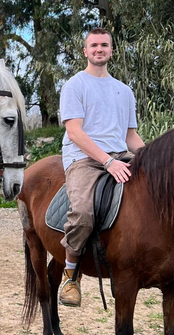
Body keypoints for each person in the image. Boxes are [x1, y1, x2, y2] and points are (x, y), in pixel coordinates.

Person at [58, 27, 145, 307]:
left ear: (111, 50)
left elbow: (131, 137)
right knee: (83, 211)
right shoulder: (75, 85)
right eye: (94, 45)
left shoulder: (124, 91)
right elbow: (75, 133)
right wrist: (107, 162)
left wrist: (154, 158)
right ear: (85, 51)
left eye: (104, 45)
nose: (99, 49)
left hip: (120, 154)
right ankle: (70, 275)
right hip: (83, 158)